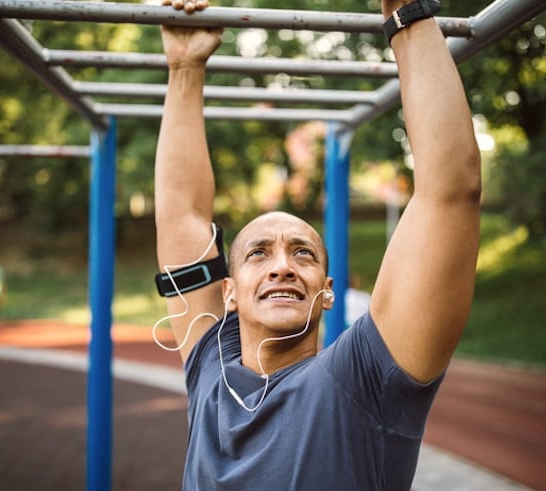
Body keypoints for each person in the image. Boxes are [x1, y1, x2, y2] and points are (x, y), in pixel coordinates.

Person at [153, 0, 481, 489]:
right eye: (258, 253)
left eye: (302, 253)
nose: (282, 266)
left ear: (327, 291)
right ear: (229, 293)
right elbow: (181, 213)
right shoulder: (210, 368)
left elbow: (450, 191)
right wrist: (183, 67)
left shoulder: (364, 379)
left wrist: (404, 11)